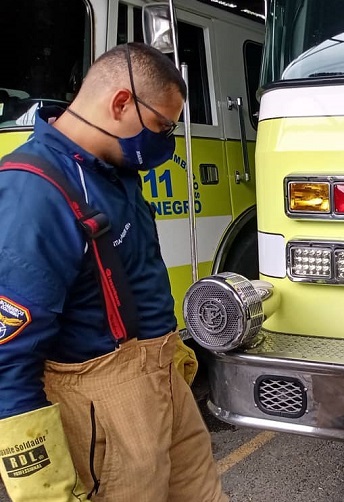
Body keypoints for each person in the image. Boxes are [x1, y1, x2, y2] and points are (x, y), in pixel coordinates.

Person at [0, 43, 226, 501]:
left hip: (162, 380)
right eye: (161, 126)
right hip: (104, 406)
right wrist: (42, 485)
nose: (165, 141)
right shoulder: (33, 192)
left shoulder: (115, 171)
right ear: (121, 102)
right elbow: (8, 359)